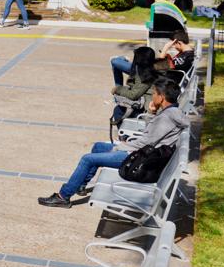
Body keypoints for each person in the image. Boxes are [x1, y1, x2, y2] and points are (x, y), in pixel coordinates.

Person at [38, 78, 189, 208]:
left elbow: (145, 142)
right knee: (98, 146)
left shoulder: (167, 117)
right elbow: (151, 136)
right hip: (143, 154)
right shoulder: (170, 113)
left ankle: (63, 197)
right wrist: (153, 113)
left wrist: (119, 146)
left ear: (161, 97)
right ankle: (80, 185)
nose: (153, 96)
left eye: (155, 93)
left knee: (87, 159)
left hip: (140, 160)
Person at [111, 29, 194, 85]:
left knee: (115, 61)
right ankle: (123, 61)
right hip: (151, 72)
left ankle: (118, 89)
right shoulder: (186, 54)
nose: (173, 47)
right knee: (119, 61)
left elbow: (159, 66)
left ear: (178, 43)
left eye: (173, 45)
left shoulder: (185, 58)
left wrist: (165, 48)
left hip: (149, 75)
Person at [110, 46, 158, 126]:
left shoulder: (145, 76)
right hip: (143, 101)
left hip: (144, 111)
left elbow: (133, 95)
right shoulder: (147, 70)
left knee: (118, 110)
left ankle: (124, 137)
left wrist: (118, 89)